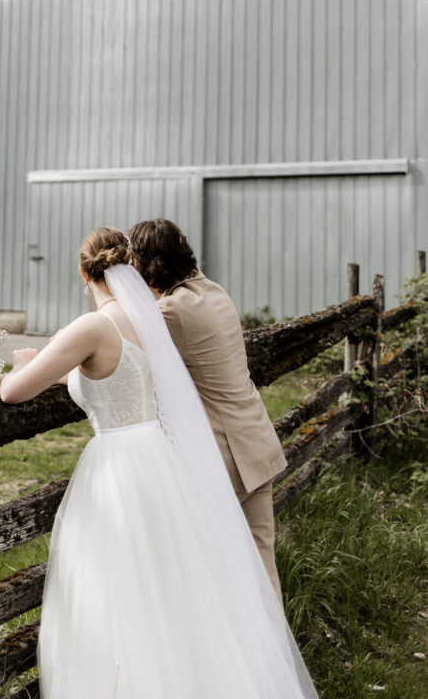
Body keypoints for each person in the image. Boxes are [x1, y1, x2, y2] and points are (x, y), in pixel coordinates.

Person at [0, 226, 318, 699]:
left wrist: (31, 366)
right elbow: (123, 370)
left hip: (189, 459)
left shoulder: (162, 316)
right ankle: (264, 679)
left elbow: (89, 368)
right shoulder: (208, 294)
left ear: (89, 272)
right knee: (245, 576)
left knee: (161, 586)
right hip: (249, 443)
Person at [128, 217, 286, 600]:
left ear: (148, 265)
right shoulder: (213, 290)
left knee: (206, 570)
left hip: (223, 457)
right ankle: (271, 658)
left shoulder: (173, 312)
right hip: (256, 439)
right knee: (261, 563)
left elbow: (126, 363)